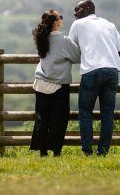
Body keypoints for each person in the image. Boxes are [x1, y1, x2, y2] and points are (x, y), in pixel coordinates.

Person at [69, 0, 120, 156]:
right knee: (108, 113)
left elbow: (72, 50)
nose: (74, 13)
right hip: (112, 70)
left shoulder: (78, 25)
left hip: (91, 70)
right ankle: (103, 151)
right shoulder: (109, 24)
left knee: (85, 112)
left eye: (77, 9)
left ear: (87, 9)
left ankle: (87, 151)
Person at [30, 9, 80, 157]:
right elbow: (77, 57)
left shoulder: (41, 38)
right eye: (60, 17)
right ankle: (56, 151)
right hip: (59, 85)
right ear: (56, 22)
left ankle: (42, 151)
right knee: (59, 120)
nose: (62, 19)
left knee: (42, 119)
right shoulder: (64, 41)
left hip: (40, 84)